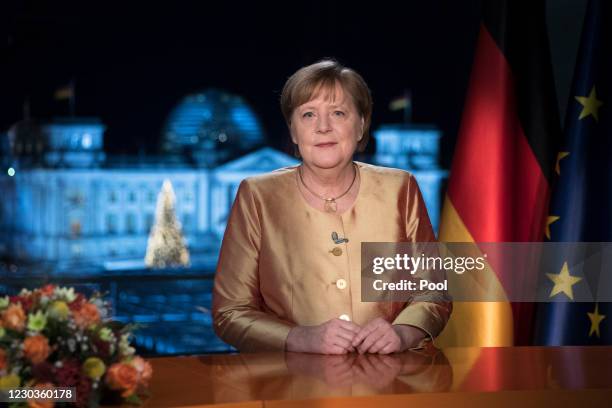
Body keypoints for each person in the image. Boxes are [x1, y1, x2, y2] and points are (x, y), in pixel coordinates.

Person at [212, 59, 451, 354]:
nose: (323, 127)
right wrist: (298, 338)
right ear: (294, 132)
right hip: (289, 386)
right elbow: (230, 313)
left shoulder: (400, 188)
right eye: (308, 114)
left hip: (388, 383)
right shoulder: (257, 195)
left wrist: (404, 332)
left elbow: (434, 292)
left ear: (362, 124)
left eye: (338, 113)